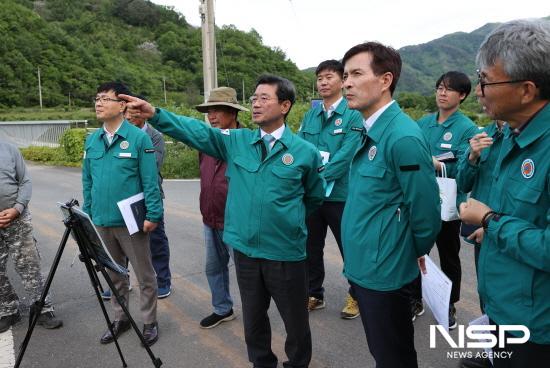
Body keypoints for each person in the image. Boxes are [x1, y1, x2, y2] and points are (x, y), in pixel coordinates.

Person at [121, 74, 324, 368]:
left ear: (285, 105)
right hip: (245, 252)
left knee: (295, 321)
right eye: (253, 98)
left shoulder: (305, 152)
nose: (255, 104)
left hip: (285, 253)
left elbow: (313, 197)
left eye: (264, 98)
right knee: (254, 320)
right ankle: (261, 363)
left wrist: (285, 221)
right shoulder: (238, 141)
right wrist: (155, 114)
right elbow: (196, 132)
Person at [340, 42, 441, 368]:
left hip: (385, 272)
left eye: (356, 74)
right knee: (382, 352)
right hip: (365, 267)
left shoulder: (402, 137)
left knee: (393, 356)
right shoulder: (369, 129)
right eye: (345, 75)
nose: (346, 83)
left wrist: (405, 253)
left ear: (385, 80)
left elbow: (426, 215)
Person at [459, 19, 550, 368]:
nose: (480, 91)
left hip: (535, 325)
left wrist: (490, 220)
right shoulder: (511, 135)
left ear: (527, 90)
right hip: (502, 306)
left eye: (486, 81)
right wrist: (492, 225)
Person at [82, 82, 163, 346]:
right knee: (114, 275)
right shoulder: (92, 139)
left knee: (144, 274)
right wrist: (88, 213)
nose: (98, 103)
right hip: (102, 221)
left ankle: (149, 322)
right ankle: (121, 318)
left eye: (105, 99)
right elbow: (88, 181)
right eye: (97, 98)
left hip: (132, 222)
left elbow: (150, 180)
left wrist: (153, 213)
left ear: (122, 105)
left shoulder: (139, 138)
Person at [411, 71, 479, 329]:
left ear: (461, 95)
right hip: (421, 201)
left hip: (449, 205)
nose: (442, 93)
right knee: (417, 253)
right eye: (439, 87)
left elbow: (463, 170)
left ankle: (448, 304)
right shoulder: (423, 123)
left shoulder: (467, 128)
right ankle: (414, 300)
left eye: (449, 89)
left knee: (449, 256)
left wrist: (435, 163)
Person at [298, 60, 363, 318]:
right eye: (320, 78)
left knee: (349, 246)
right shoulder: (310, 115)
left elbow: (347, 155)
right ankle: (315, 293)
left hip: (341, 195)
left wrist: (318, 176)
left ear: (342, 80)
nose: (323, 83)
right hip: (314, 195)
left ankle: (356, 295)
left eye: (329, 77)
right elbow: (300, 147)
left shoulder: (353, 113)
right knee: (311, 246)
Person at [194, 87, 247, 329]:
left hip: (238, 219)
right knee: (214, 267)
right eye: (208, 111)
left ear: (232, 113)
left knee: (248, 272)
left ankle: (255, 314)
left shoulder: (248, 141)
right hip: (210, 216)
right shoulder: (206, 141)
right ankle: (222, 308)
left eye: (216, 111)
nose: (211, 116)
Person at [0, 139, 63, 333]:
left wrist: (17, 208)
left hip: (16, 217)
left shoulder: (9, 149)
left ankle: (42, 308)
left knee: (29, 265)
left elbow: (25, 181)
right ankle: (8, 310)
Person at [125, 95, 172, 299]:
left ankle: (163, 281)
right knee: (122, 241)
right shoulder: (121, 135)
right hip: (124, 197)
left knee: (156, 241)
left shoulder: (155, 137)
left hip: (150, 196)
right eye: (127, 111)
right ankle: (120, 281)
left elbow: (151, 168)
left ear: (143, 113)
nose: (130, 116)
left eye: (135, 111)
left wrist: (125, 166)